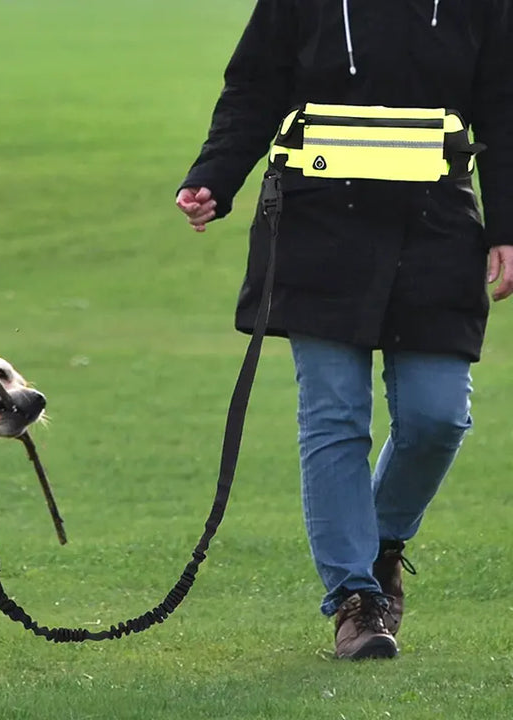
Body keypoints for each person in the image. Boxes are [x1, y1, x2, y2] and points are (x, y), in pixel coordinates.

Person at [176, 0, 513, 660]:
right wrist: (215, 174)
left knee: (437, 416)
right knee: (334, 412)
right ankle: (356, 600)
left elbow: (503, 108)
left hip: (437, 224)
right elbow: (255, 83)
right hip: (317, 222)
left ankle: (382, 543)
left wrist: (505, 228)